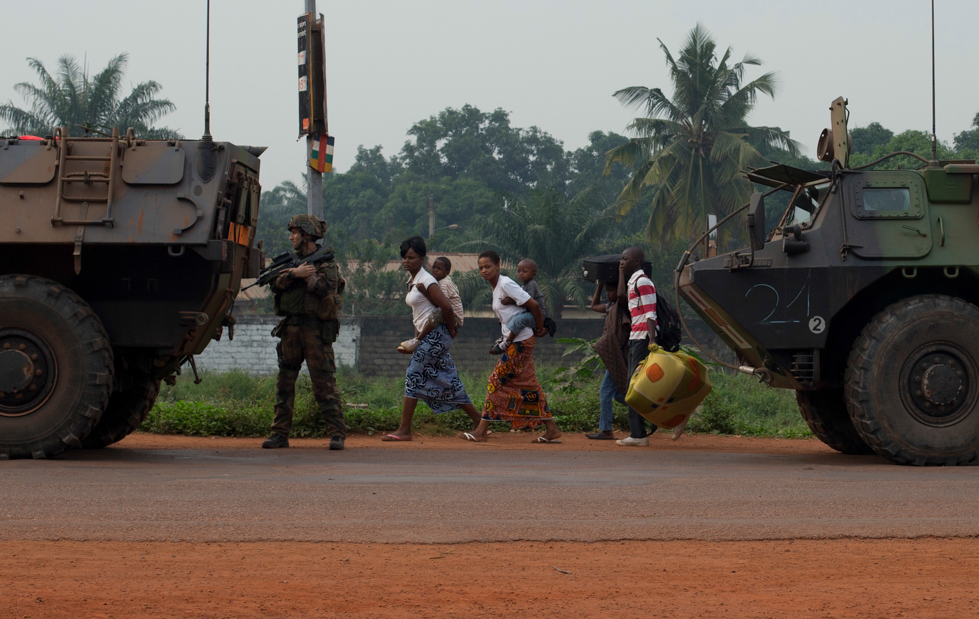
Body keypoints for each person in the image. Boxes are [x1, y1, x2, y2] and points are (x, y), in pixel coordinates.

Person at [382, 237, 483, 441]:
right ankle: (480, 423)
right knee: (448, 380)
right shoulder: (412, 280)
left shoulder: (427, 280)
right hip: (428, 336)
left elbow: (445, 307)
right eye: (403, 257)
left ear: (421, 258)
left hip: (436, 335)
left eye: (411, 257)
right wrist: (416, 338)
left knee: (413, 374)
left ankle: (404, 430)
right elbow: (420, 313)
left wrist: (451, 332)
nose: (406, 261)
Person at [262, 215, 346, 450]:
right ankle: (279, 434)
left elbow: (327, 291)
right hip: (290, 328)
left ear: (307, 235)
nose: (291, 238)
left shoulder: (326, 264)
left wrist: (308, 277)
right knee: (284, 382)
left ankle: (337, 433)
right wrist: (293, 274)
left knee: (324, 382)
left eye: (295, 233)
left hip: (315, 330)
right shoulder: (291, 262)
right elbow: (273, 284)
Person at [460, 250, 562, 444]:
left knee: (495, 380)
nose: (484, 271)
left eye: (488, 266)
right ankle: (552, 429)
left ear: (498, 266)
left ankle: (481, 431)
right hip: (515, 342)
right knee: (530, 386)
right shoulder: (496, 287)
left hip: (520, 343)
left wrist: (540, 328)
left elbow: (533, 305)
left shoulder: (506, 283)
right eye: (481, 268)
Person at [616, 247, 658, 447]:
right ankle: (639, 431)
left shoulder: (643, 282)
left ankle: (638, 434)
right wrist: (620, 274)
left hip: (642, 339)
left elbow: (651, 312)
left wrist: (651, 339)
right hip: (635, 337)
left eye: (625, 259)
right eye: (621, 259)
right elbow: (621, 297)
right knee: (634, 386)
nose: (622, 262)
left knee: (633, 387)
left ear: (637, 261)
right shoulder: (633, 282)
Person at [586, 281, 630, 440]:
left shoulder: (622, 305)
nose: (608, 294)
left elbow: (620, 295)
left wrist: (619, 273)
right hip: (614, 354)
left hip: (619, 355)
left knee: (605, 392)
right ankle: (644, 413)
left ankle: (606, 430)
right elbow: (593, 305)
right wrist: (600, 285)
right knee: (619, 396)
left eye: (610, 291)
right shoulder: (610, 307)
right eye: (607, 291)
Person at [398, 256, 464, 354]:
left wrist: (425, 292)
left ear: (447, 272)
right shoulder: (436, 283)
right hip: (446, 315)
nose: (435, 270)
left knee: (435, 315)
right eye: (434, 267)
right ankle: (415, 340)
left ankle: (417, 339)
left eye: (439, 269)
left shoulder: (444, 283)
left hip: (454, 318)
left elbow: (440, 305)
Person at [490, 258, 547, 355]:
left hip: (537, 316)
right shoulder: (523, 286)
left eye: (524, 271)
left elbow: (527, 301)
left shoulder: (531, 285)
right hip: (528, 313)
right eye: (519, 271)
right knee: (506, 317)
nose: (520, 274)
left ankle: (507, 341)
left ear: (533, 274)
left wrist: (511, 301)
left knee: (519, 319)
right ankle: (504, 337)